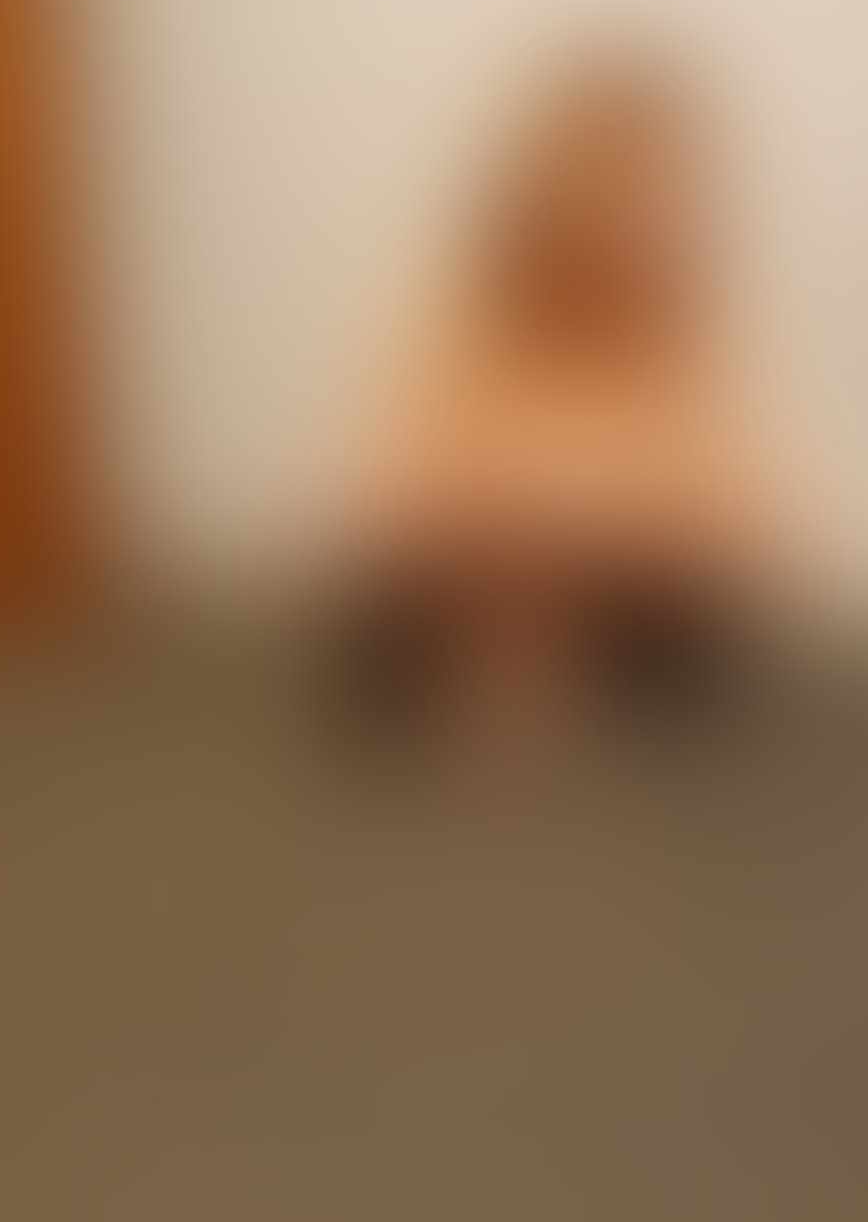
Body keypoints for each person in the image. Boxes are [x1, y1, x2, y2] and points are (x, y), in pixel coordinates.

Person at [330, 52, 778, 743]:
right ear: (537, 196)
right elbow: (399, 497)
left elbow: (737, 526)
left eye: (639, 200)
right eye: (591, 193)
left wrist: (583, 511)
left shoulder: (680, 336)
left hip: (631, 624)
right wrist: (528, 524)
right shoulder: (463, 321)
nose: (610, 225)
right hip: (464, 603)